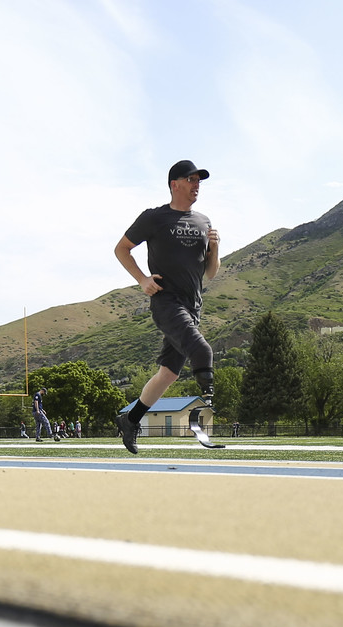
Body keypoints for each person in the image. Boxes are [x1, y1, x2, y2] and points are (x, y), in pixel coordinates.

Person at [113, 159, 220, 454]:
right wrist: (142, 280)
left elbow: (210, 273)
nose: (197, 185)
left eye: (199, 180)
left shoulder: (204, 222)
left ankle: (130, 419)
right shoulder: (154, 218)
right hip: (166, 302)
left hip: (193, 306)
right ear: (175, 184)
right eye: (191, 179)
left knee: (169, 374)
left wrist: (215, 248)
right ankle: (211, 400)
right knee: (203, 351)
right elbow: (121, 249)